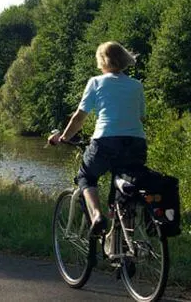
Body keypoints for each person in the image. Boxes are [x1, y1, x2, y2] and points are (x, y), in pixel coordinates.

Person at [48, 41, 147, 236]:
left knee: (86, 176)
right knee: (123, 190)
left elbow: (79, 117)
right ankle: (126, 248)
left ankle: (96, 216)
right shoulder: (137, 86)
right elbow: (141, 117)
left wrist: (64, 137)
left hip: (106, 142)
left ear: (102, 61)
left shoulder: (96, 82)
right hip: (136, 143)